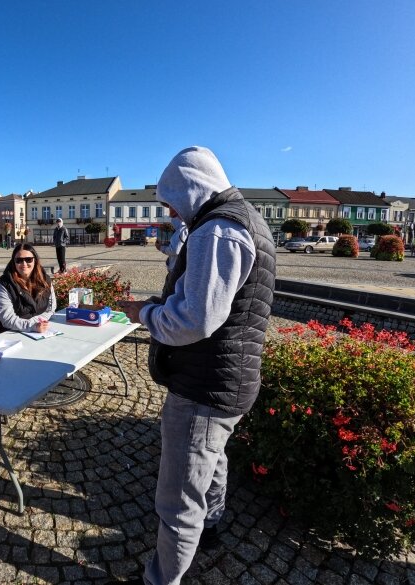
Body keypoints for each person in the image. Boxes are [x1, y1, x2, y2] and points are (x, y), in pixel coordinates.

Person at [116, 146, 276, 585]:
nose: (169, 210)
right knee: (213, 458)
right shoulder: (245, 219)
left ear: (191, 188)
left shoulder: (217, 230)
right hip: (229, 378)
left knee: (178, 501)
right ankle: (212, 523)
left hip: (205, 385)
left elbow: (194, 320)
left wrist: (142, 313)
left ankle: (160, 578)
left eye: (171, 199)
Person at [0, 244, 56, 333]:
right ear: (13, 262)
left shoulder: (45, 280)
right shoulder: (4, 285)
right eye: (19, 260)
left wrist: (38, 323)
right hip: (10, 333)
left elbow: (51, 308)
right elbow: (7, 320)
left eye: (28, 259)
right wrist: (33, 326)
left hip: (39, 330)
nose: (24, 264)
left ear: (35, 260)